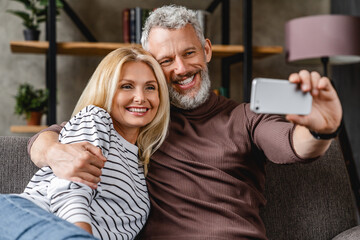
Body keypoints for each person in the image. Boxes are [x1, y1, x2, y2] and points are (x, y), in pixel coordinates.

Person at [27, 5, 342, 240]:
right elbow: (54, 136)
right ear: (151, 65)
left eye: (189, 53)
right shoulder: (140, 121)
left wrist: (320, 128)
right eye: (165, 60)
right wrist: (55, 153)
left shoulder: (245, 117)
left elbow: (294, 145)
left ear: (206, 51)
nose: (180, 69)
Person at [0, 46, 170, 239]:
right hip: (26, 219)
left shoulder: (141, 165)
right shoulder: (96, 119)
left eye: (150, 87)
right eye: (126, 86)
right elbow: (69, 194)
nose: (140, 98)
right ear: (106, 90)